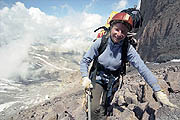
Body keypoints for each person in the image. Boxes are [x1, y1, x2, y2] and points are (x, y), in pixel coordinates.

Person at [80, 12, 177, 119]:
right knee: (94, 108)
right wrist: (85, 77)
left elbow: (142, 68)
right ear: (111, 27)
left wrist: (157, 90)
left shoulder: (128, 49)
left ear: (127, 33)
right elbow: (85, 60)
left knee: (105, 106)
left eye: (123, 31)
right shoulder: (101, 42)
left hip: (113, 81)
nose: (119, 34)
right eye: (116, 29)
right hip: (97, 78)